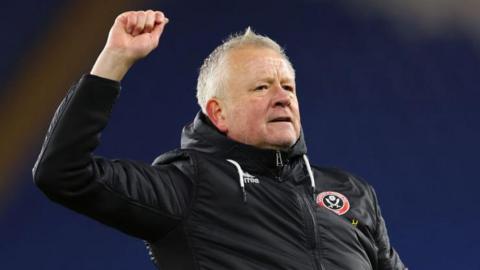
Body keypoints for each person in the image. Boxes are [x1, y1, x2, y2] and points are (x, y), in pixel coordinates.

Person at [33, 10, 406, 270]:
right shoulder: (192, 185)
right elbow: (63, 173)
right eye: (262, 87)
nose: (282, 97)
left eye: (288, 87)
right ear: (218, 113)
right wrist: (114, 60)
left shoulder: (352, 192)